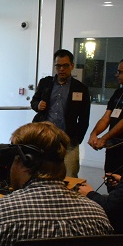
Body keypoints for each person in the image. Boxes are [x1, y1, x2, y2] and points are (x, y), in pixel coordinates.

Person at [31, 49, 90, 177]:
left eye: (65, 65)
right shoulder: (45, 83)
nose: (61, 69)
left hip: (68, 138)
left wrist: (77, 139)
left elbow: (84, 118)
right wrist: (38, 105)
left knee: (70, 173)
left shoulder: (80, 89)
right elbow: (34, 101)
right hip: (45, 137)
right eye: (58, 66)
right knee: (42, 172)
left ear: (72, 66)